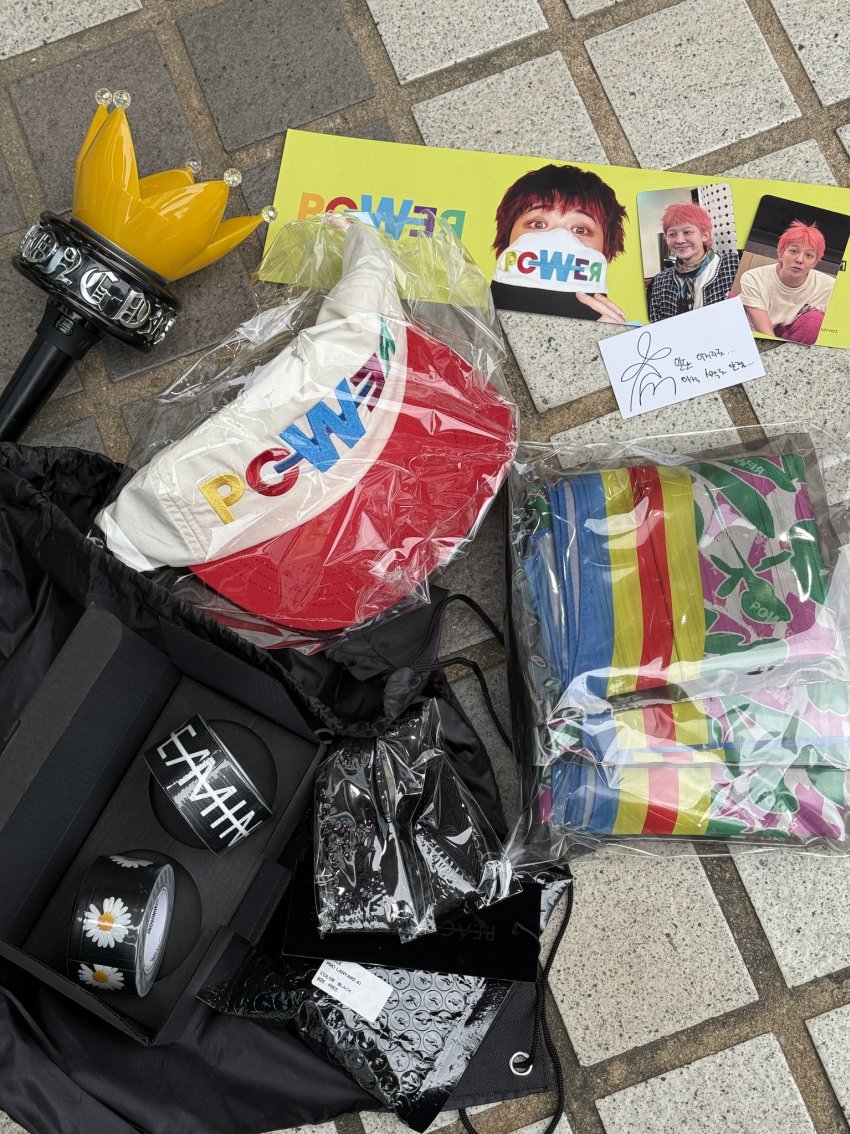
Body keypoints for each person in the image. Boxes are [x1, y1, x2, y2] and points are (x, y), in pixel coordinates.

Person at [492, 163, 628, 323]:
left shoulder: (628, 333)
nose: (559, 239)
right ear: (507, 237)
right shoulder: (471, 314)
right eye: (538, 224)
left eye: (580, 229)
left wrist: (619, 337)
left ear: (605, 248)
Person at [738, 221, 833, 345]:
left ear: (815, 262)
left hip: (791, 335)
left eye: (809, 255)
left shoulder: (829, 287)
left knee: (814, 321)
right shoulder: (754, 278)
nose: (799, 260)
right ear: (781, 253)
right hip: (753, 333)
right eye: (793, 251)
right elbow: (765, 334)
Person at [647, 201, 739, 322]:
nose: (679, 240)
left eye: (687, 232)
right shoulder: (660, 281)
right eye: (672, 234)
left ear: (704, 235)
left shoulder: (733, 266)